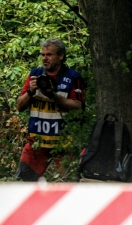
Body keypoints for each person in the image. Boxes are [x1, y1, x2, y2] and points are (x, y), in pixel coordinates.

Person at [15, 38, 86, 181]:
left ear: (60, 56)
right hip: (37, 144)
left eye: (49, 55)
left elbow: (78, 107)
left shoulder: (73, 77)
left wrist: (53, 96)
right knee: (24, 183)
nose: (44, 58)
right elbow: (20, 106)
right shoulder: (35, 75)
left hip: (64, 144)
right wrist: (30, 91)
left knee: (70, 183)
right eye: (43, 55)